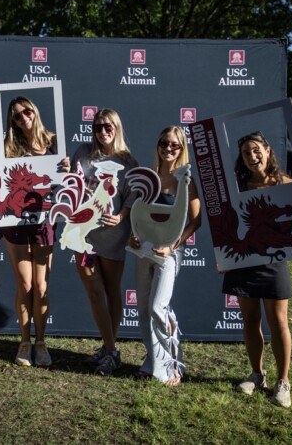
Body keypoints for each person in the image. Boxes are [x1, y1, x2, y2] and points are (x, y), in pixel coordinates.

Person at [223, 131, 292, 408]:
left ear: (267, 150)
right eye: (246, 153)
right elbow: (226, 224)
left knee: (278, 322)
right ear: (241, 159)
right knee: (250, 319)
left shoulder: (286, 184)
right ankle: (257, 374)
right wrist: (224, 253)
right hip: (243, 261)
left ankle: (283, 381)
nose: (252, 157)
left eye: (256, 150)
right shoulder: (237, 186)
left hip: (274, 261)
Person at [0, 96, 69, 367]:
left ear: (35, 110)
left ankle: (41, 342)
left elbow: (67, 181)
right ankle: (24, 342)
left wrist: (66, 169)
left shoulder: (55, 141)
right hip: (16, 220)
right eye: (17, 116)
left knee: (41, 286)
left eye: (27, 111)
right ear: (13, 122)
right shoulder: (9, 146)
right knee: (25, 285)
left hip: (44, 219)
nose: (23, 117)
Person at [129, 126, 201, 385]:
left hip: (169, 254)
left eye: (175, 145)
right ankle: (152, 360)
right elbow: (138, 216)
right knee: (142, 309)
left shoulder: (186, 181)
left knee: (159, 308)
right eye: (164, 143)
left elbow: (196, 221)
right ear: (157, 145)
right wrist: (134, 235)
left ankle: (173, 364)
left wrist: (173, 246)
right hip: (143, 250)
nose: (168, 148)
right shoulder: (149, 178)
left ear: (182, 149)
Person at [72, 108, 138, 376]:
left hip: (112, 238)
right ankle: (111, 351)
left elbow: (134, 198)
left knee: (111, 290)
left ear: (117, 128)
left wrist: (121, 216)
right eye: (98, 127)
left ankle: (108, 347)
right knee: (94, 290)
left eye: (108, 127)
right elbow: (72, 184)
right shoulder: (83, 153)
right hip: (83, 238)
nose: (102, 131)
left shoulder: (129, 162)